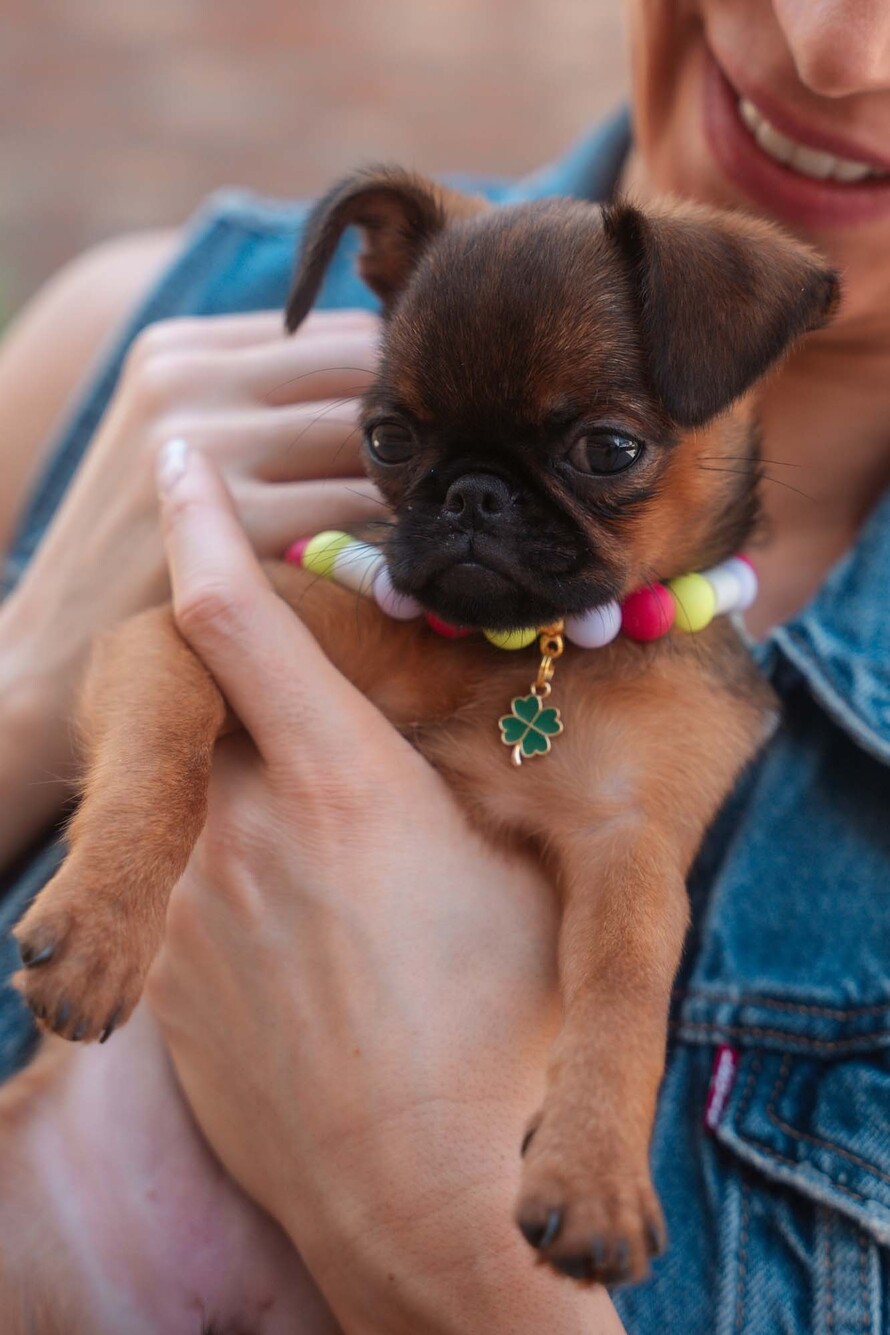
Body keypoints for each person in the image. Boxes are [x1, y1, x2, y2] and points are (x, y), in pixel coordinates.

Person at [2, 0, 890, 1329]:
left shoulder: (677, 689)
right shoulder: (137, 344)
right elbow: (172, 662)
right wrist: (25, 695)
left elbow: (626, 921)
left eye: (595, 455)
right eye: (403, 449)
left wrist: (446, 1241)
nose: (833, 47)